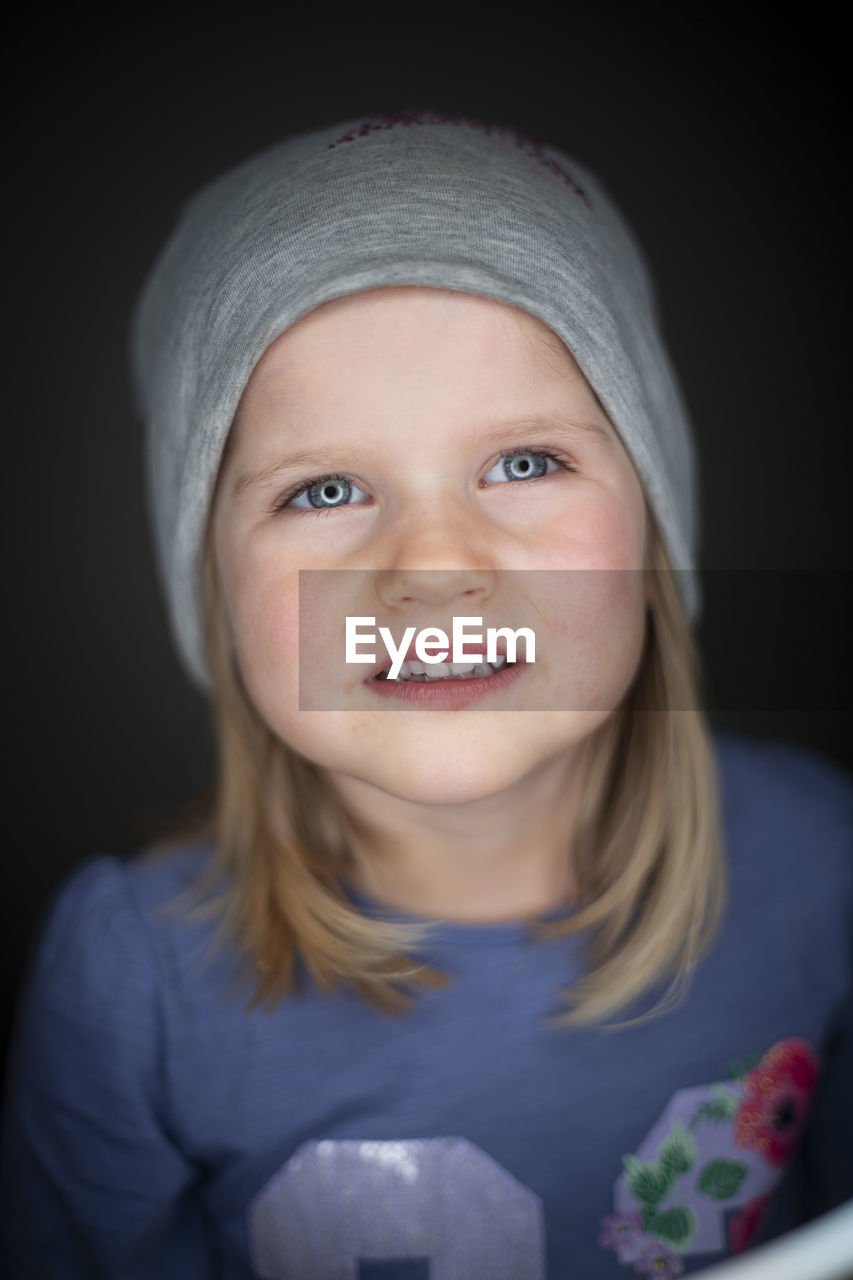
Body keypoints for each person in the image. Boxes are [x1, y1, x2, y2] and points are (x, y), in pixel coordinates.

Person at [1, 108, 851, 1280]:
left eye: (523, 462)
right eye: (326, 487)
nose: (435, 562)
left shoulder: (824, 858)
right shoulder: (132, 981)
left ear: (656, 524)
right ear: (215, 593)